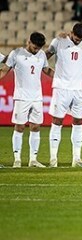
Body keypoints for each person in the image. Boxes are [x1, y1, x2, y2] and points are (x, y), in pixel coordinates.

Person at [0, 33, 54, 168]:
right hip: (21, 97)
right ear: (28, 42)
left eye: (39, 48)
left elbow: (46, 69)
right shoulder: (16, 53)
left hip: (37, 97)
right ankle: (17, 159)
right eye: (35, 47)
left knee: (35, 127)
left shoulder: (41, 55)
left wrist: (60, 76)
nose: (37, 50)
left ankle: (33, 159)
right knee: (20, 127)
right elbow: (5, 70)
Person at [46, 23, 82, 168]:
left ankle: (77, 159)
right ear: (71, 33)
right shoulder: (59, 41)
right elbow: (45, 56)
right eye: (76, 38)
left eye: (80, 39)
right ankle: (53, 159)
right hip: (62, 88)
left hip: (79, 88)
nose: (78, 41)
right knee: (57, 120)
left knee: (79, 121)